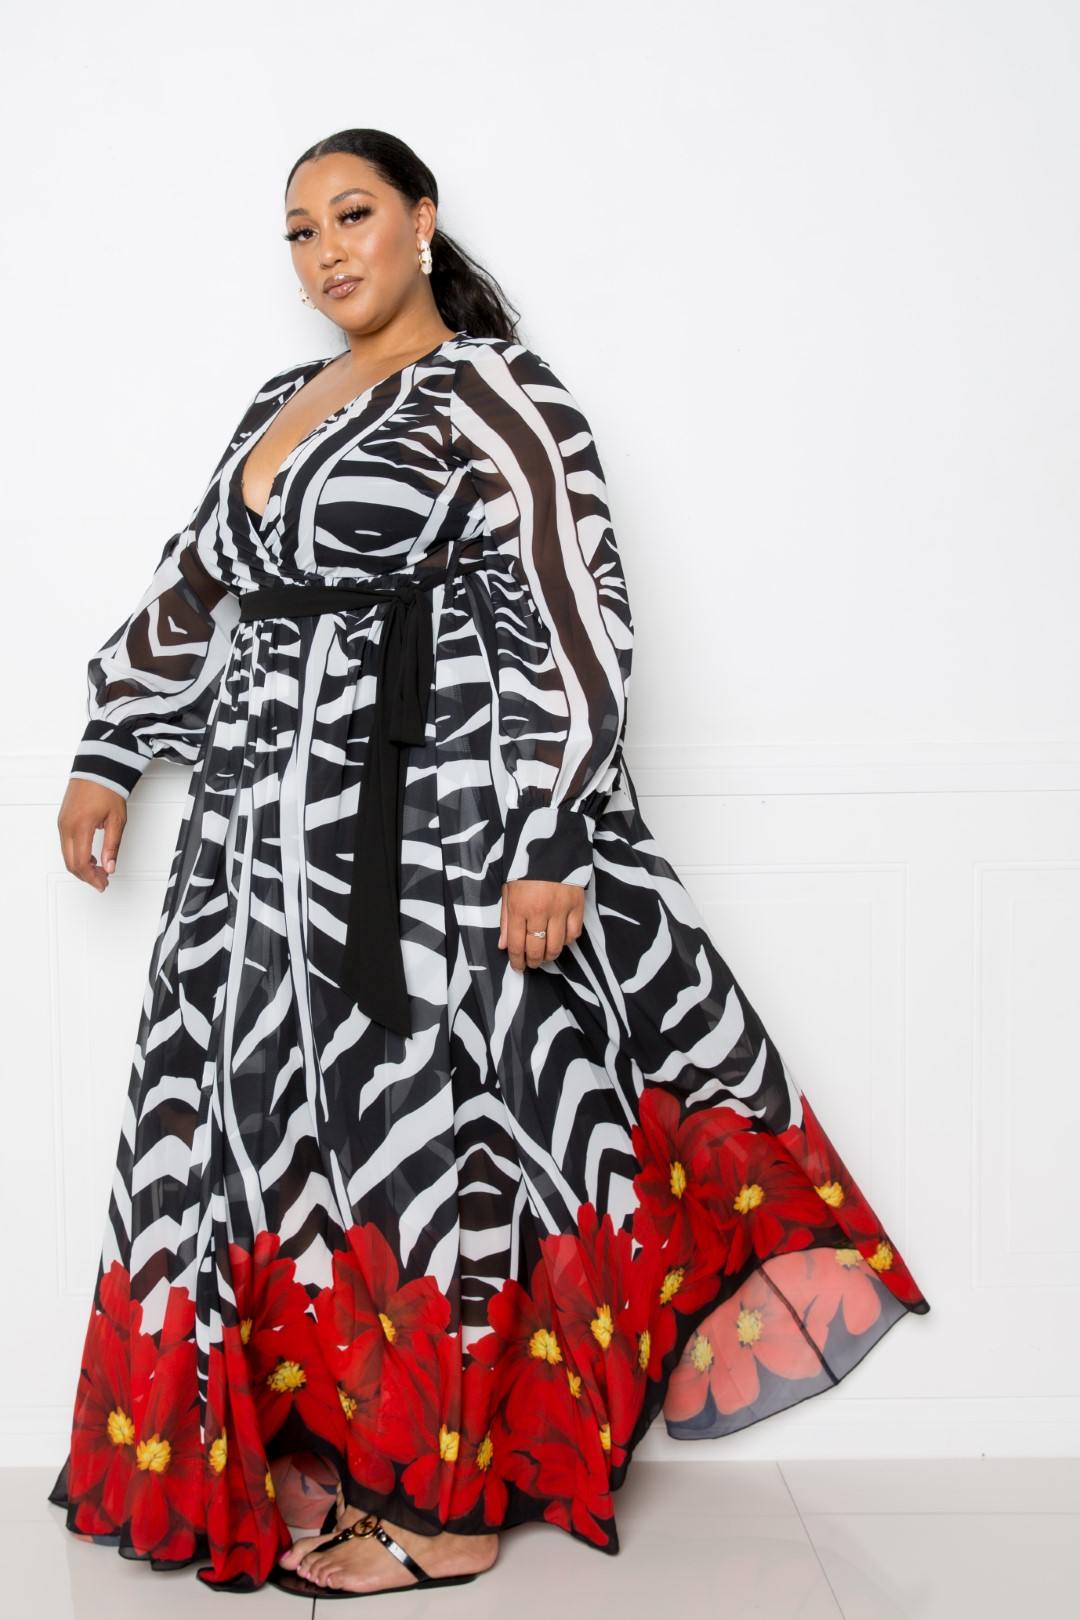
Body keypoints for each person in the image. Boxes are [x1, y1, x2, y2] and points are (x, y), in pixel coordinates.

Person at [49, 127, 931, 1599]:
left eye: (353, 214)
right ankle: (328, 1456)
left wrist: (552, 835)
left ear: (422, 220)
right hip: (258, 847)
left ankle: (445, 1508)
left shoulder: (495, 394)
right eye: (299, 231)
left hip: (433, 831)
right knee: (270, 1134)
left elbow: (580, 611)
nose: (327, 251)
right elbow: (196, 583)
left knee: (436, 1139)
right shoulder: (275, 404)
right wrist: (110, 745)